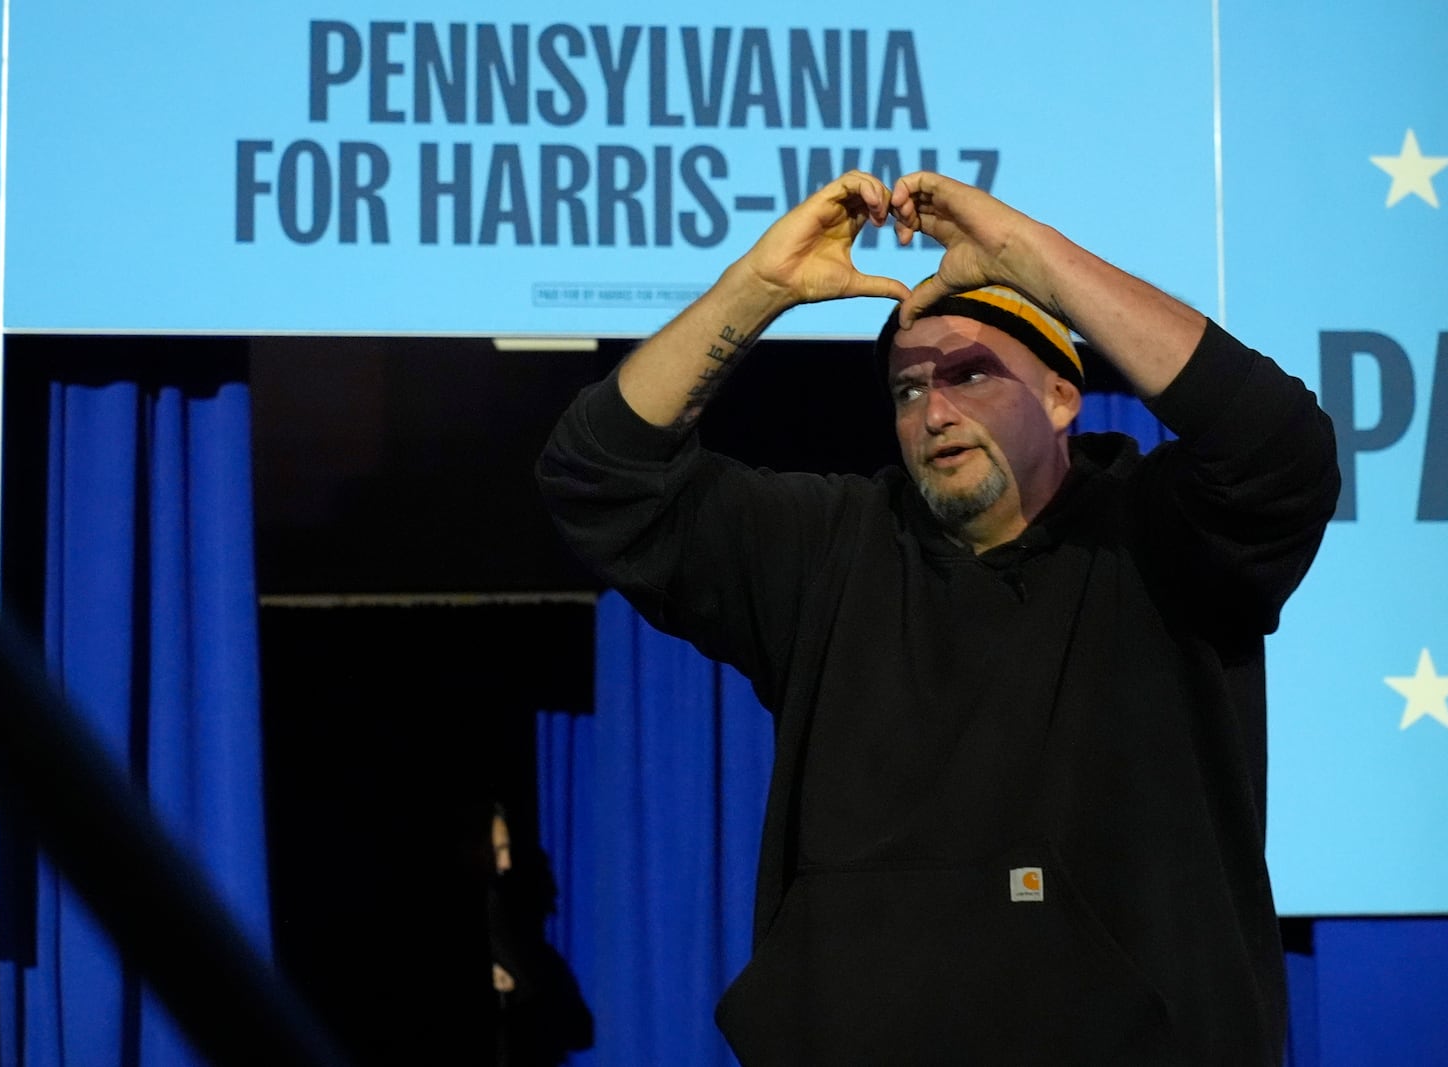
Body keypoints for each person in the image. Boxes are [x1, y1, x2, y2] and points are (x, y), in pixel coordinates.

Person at [537, 171, 1339, 1064]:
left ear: (1065, 395)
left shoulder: (1162, 541)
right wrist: (754, 290)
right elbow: (597, 477)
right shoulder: (828, 553)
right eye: (908, 391)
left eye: (969, 374)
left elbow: (1281, 451)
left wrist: (1032, 256)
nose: (935, 413)